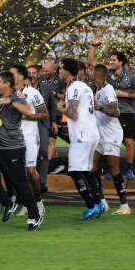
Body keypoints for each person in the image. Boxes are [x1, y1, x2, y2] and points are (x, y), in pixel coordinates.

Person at [0, 71, 43, 231]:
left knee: (21, 184)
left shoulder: (18, 97)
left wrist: (9, 101)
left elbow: (29, 112)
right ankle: (8, 203)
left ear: (7, 84)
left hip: (14, 148)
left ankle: (34, 216)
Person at [88, 35, 135, 180]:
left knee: (129, 141)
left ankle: (130, 168)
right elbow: (91, 62)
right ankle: (111, 168)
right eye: (110, 60)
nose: (111, 62)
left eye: (114, 60)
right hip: (110, 113)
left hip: (127, 112)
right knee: (110, 141)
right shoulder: (108, 75)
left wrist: (125, 94)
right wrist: (93, 46)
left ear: (120, 62)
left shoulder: (132, 76)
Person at [56, 58, 105, 220]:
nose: (59, 71)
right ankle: (98, 203)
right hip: (91, 133)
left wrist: (61, 108)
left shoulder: (73, 88)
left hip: (82, 135)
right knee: (85, 170)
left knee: (75, 171)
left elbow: (73, 112)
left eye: (61, 69)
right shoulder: (85, 87)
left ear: (67, 72)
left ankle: (90, 206)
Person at [90, 64, 131, 215]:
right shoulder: (99, 90)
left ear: (95, 74)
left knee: (114, 170)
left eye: (92, 72)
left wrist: (100, 108)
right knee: (91, 168)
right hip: (100, 136)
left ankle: (124, 205)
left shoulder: (107, 90)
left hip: (111, 135)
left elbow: (116, 111)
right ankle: (102, 201)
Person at [10, 64, 48, 217]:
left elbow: (44, 114)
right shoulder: (10, 93)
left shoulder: (32, 93)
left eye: (12, 73)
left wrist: (27, 115)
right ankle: (28, 202)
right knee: (18, 173)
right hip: (12, 138)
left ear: (20, 76)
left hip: (30, 137)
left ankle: (38, 202)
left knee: (31, 171)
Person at [26, 65, 57, 194]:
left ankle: (42, 181)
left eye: (34, 72)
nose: (32, 75)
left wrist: (54, 121)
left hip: (42, 123)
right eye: (29, 73)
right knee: (30, 151)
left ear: (38, 74)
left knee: (44, 151)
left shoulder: (46, 87)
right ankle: (31, 180)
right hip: (28, 124)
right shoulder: (23, 88)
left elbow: (52, 104)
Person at [41, 60, 67, 174]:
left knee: (51, 139)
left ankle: (47, 165)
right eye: (43, 70)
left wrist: (54, 94)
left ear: (53, 70)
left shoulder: (60, 79)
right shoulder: (41, 80)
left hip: (56, 112)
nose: (44, 73)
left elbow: (66, 96)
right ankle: (58, 163)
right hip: (44, 112)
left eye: (46, 71)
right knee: (46, 140)